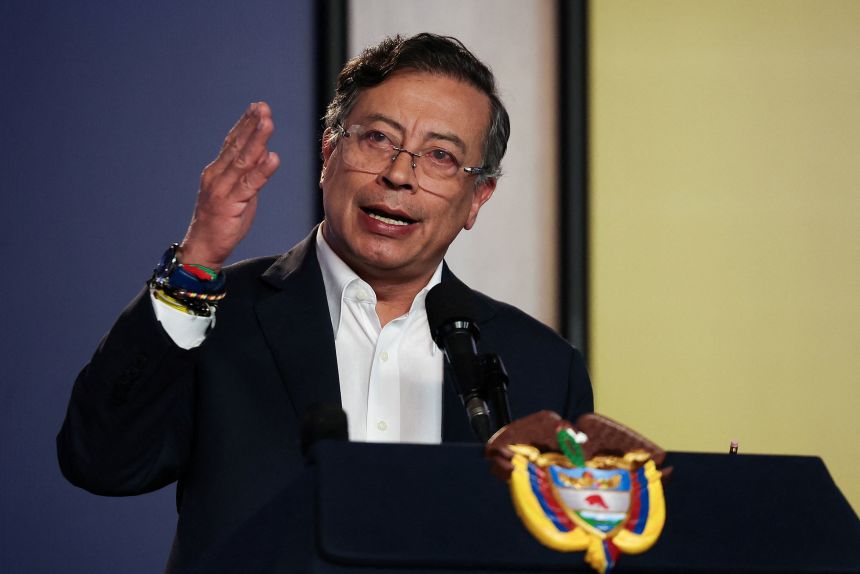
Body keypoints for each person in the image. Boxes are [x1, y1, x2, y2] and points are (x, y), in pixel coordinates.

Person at [57, 33, 593, 570]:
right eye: (379, 139)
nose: (399, 174)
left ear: (477, 198)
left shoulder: (541, 367)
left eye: (441, 156)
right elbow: (102, 462)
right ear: (330, 152)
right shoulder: (222, 314)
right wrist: (196, 262)